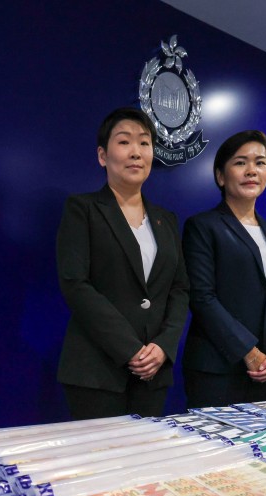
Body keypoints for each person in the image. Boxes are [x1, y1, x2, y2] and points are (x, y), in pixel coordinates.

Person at [56, 107, 189, 419]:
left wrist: (164, 347)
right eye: (124, 142)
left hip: (153, 372)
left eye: (144, 143)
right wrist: (130, 349)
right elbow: (76, 285)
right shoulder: (82, 209)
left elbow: (180, 289)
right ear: (103, 156)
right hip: (96, 370)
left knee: (147, 462)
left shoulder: (166, 220)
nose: (136, 153)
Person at [181, 130, 266, 407]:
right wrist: (248, 350)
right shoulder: (203, 226)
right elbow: (202, 297)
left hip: (264, 370)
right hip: (215, 368)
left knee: (252, 448)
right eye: (240, 162)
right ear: (221, 176)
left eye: (260, 162)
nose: (251, 171)